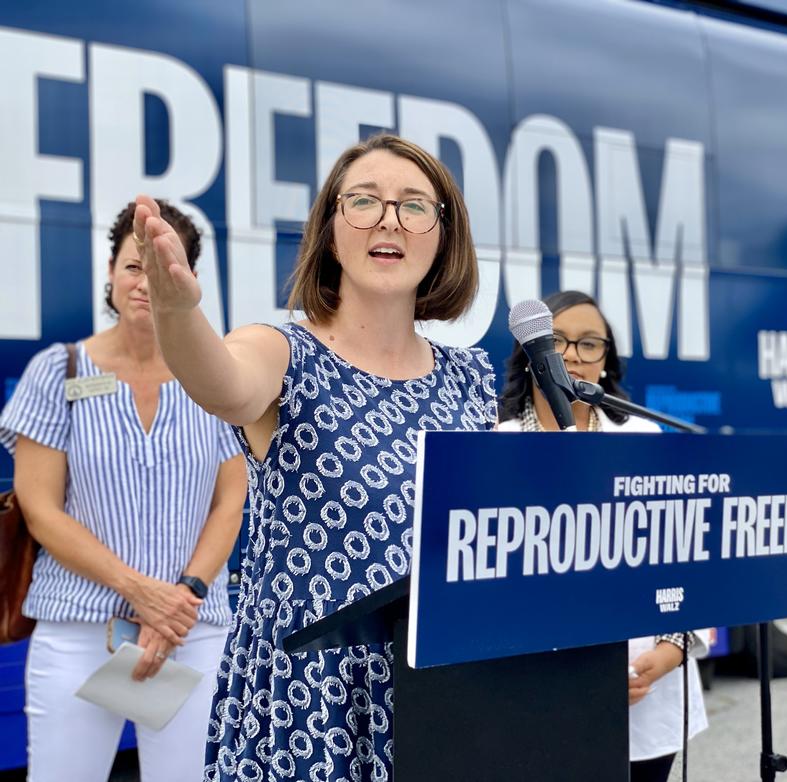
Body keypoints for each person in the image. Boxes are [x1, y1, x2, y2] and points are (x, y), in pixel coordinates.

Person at [132, 133, 497, 781]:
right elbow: (223, 383)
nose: (389, 219)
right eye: (364, 201)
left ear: (444, 235)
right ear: (331, 230)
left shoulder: (470, 378)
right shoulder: (284, 350)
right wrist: (177, 312)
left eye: (415, 205)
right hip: (312, 703)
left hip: (439, 690)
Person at [0, 201, 247, 782]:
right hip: (80, 629)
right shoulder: (56, 372)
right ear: (110, 272)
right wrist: (140, 593)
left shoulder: (214, 377)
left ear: (187, 281)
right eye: (134, 266)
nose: (145, 283)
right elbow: (40, 508)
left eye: (163, 268)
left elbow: (230, 501)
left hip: (192, 629)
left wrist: (177, 600)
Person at [497, 289, 709, 781]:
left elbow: (683, 558)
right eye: (556, 341)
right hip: (539, 690)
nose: (571, 354)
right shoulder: (496, 442)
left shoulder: (642, 438)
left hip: (646, 679)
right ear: (530, 354)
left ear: (606, 360)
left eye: (590, 343)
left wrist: (672, 649)